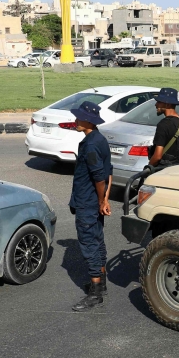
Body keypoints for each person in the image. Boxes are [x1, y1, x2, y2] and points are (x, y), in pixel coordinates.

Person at [70, 100, 113, 312]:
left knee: (89, 244)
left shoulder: (91, 144)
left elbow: (99, 176)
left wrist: (101, 200)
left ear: (88, 121)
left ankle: (95, 293)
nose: (75, 121)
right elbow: (109, 171)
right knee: (97, 240)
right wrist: (105, 199)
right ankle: (101, 284)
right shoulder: (99, 139)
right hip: (93, 202)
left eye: (78, 118)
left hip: (88, 202)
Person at [148, 88, 179, 169]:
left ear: (167, 104)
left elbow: (157, 156)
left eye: (159, 102)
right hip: (176, 170)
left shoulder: (163, 125)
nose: (156, 105)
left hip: (161, 171)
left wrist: (149, 167)